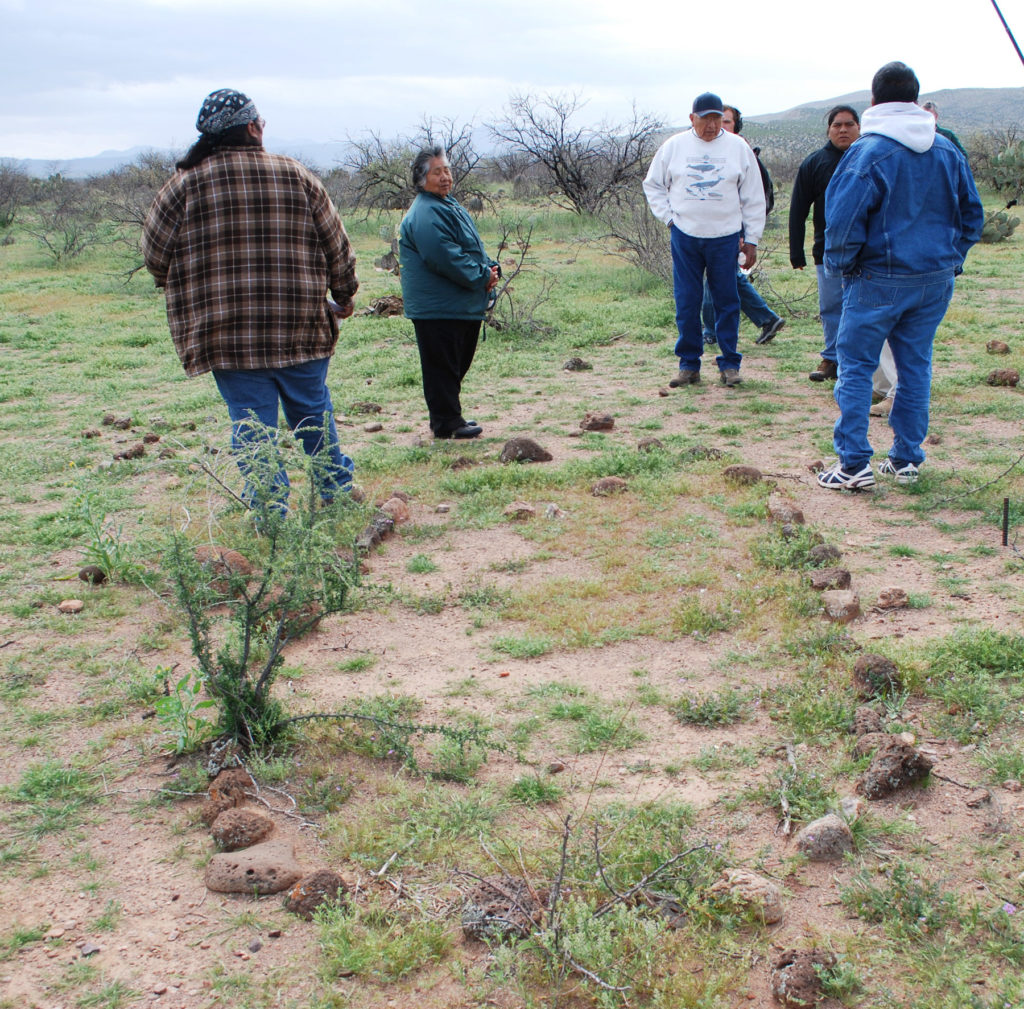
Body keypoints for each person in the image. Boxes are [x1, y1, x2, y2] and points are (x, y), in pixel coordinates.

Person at [142, 89, 358, 512]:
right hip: (300, 326)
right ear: (252, 127)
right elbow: (338, 246)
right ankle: (335, 493)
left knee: (251, 424)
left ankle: (268, 510)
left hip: (226, 335)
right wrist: (344, 294)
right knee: (313, 413)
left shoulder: (182, 186)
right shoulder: (296, 175)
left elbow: (154, 258)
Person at [817, 62, 983, 490]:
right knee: (914, 367)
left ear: (873, 102)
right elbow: (972, 215)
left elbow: (842, 221)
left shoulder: (867, 151)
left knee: (855, 366)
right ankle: (906, 458)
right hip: (933, 280)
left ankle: (854, 464)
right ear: (915, 99)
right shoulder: (946, 149)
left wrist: (842, 267)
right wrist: (953, 259)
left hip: (877, 279)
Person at [644, 92, 766, 388]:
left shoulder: (738, 147)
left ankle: (729, 364)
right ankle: (688, 364)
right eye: (704, 119)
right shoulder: (674, 146)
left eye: (716, 119)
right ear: (692, 119)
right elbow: (653, 185)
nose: (711, 126)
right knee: (687, 300)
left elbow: (753, 196)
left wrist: (751, 239)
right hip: (686, 235)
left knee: (727, 300)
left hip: (725, 236)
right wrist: (670, 219)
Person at [399, 146, 499, 439]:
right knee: (442, 366)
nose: (445, 177)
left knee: (453, 364)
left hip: (455, 304)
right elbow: (445, 256)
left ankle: (450, 417)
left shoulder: (446, 204)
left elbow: (469, 247)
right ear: (421, 179)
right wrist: (483, 276)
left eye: (447, 170)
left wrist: (490, 268)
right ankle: (446, 423)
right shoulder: (425, 212)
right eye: (437, 172)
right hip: (438, 307)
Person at [701, 105, 785, 348]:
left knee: (721, 276)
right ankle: (763, 320)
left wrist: (746, 234)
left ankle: (716, 329)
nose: (720, 126)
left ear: (735, 127)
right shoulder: (710, 155)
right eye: (716, 120)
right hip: (708, 230)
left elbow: (760, 199)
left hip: (732, 232)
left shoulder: (746, 157)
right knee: (724, 275)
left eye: (726, 122)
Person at [788, 105, 861, 382]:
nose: (843, 129)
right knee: (831, 306)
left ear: (859, 127)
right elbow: (798, 209)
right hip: (828, 251)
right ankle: (831, 359)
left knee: (864, 309)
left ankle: (859, 363)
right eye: (837, 125)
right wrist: (797, 252)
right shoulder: (815, 162)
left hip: (869, 252)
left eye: (849, 124)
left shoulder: (871, 158)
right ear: (829, 129)